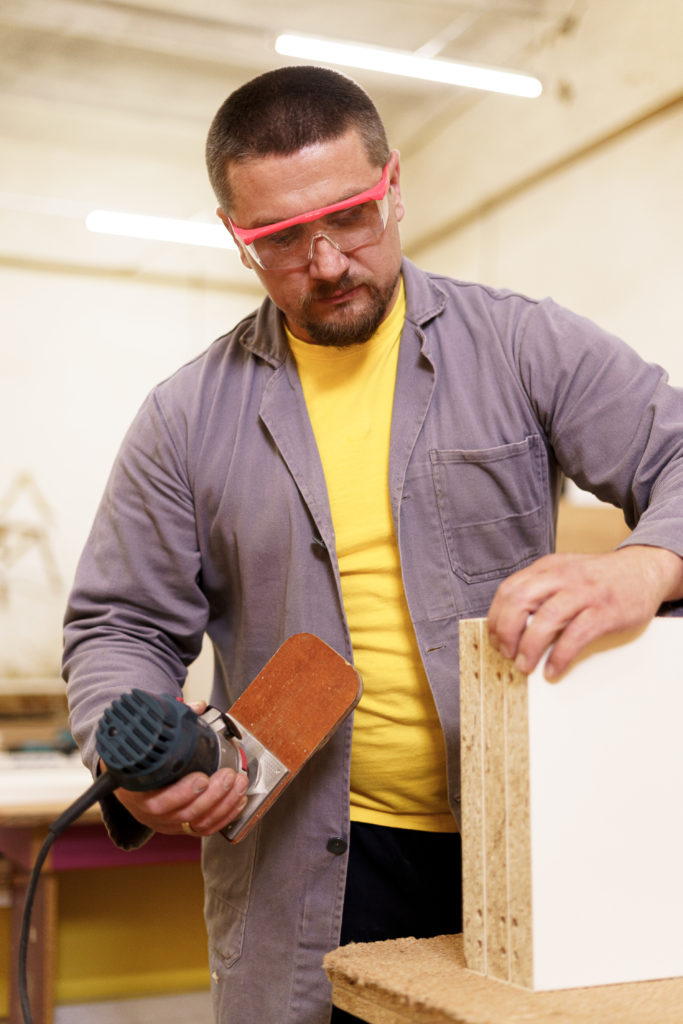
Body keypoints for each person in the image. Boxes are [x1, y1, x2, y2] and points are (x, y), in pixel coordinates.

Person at [63, 65, 683, 1024]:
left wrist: (646, 564)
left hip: (531, 844)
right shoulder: (184, 418)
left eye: (350, 217)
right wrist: (134, 755)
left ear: (393, 187)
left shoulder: (523, 347)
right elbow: (119, 623)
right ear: (235, 238)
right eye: (277, 239)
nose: (324, 261)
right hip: (301, 865)